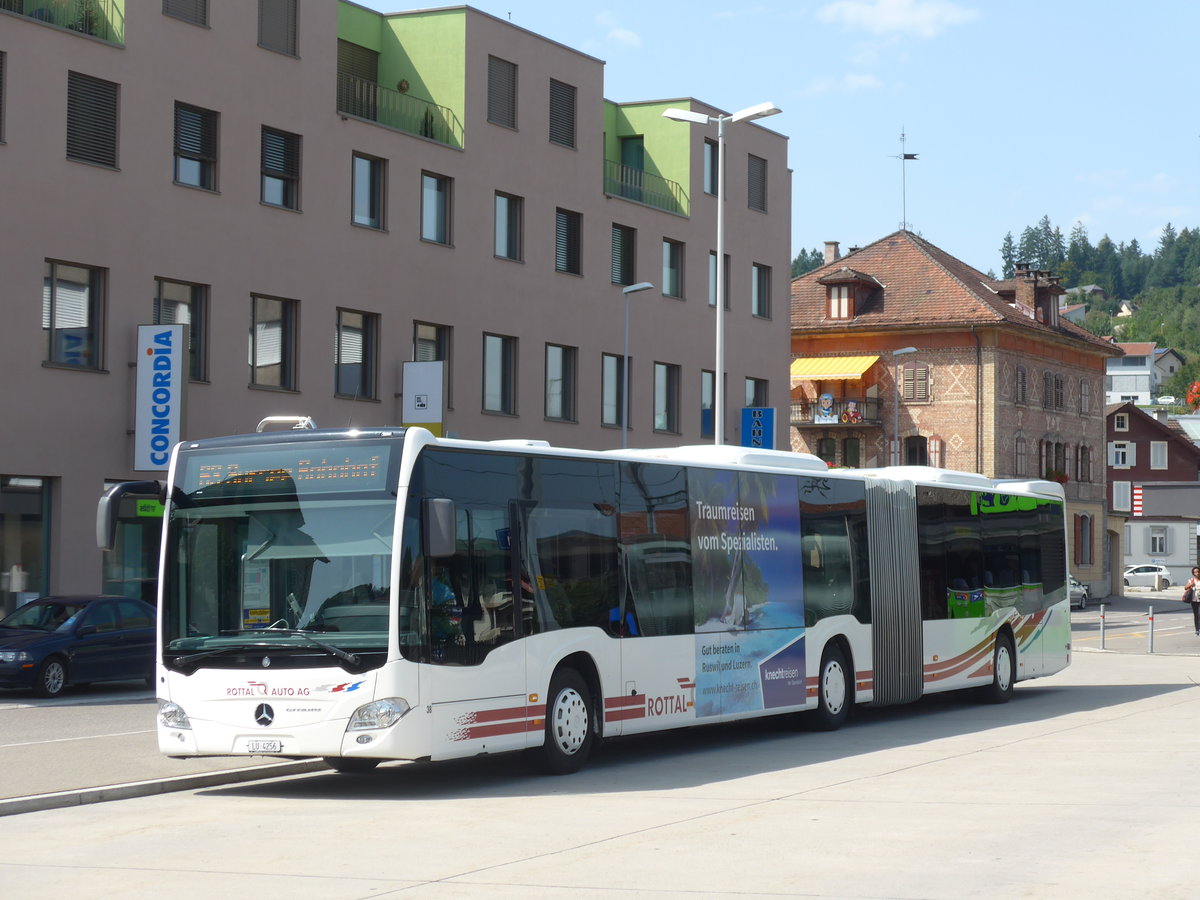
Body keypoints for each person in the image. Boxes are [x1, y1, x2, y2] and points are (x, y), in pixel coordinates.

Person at [1184, 566, 1200, 636]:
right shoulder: (1191, 580)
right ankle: (1197, 630)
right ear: (1193, 573)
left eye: (1198, 571)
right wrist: (1191, 584)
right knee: (1196, 615)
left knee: (1199, 614)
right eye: (1195, 572)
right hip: (1194, 600)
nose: (1197, 573)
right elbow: (1185, 587)